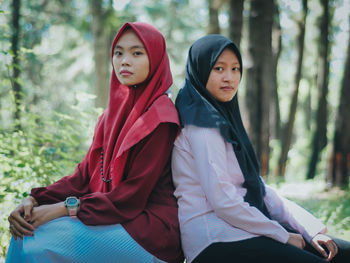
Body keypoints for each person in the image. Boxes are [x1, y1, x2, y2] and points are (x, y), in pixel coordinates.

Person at [6, 22, 184, 263]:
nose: (124, 61)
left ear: (155, 59)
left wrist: (62, 209)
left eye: (137, 53)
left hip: (150, 232)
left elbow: (131, 196)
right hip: (114, 216)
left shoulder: (161, 118)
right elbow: (83, 176)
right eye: (118, 53)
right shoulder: (110, 117)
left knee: (34, 245)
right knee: (23, 235)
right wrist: (35, 199)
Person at [171, 34, 350, 263]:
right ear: (200, 70)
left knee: (342, 253)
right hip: (214, 239)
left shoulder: (222, 120)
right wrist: (283, 235)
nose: (229, 77)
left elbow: (260, 190)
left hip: (240, 230)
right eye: (218, 68)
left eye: (235, 69)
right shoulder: (201, 125)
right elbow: (224, 202)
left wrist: (310, 230)